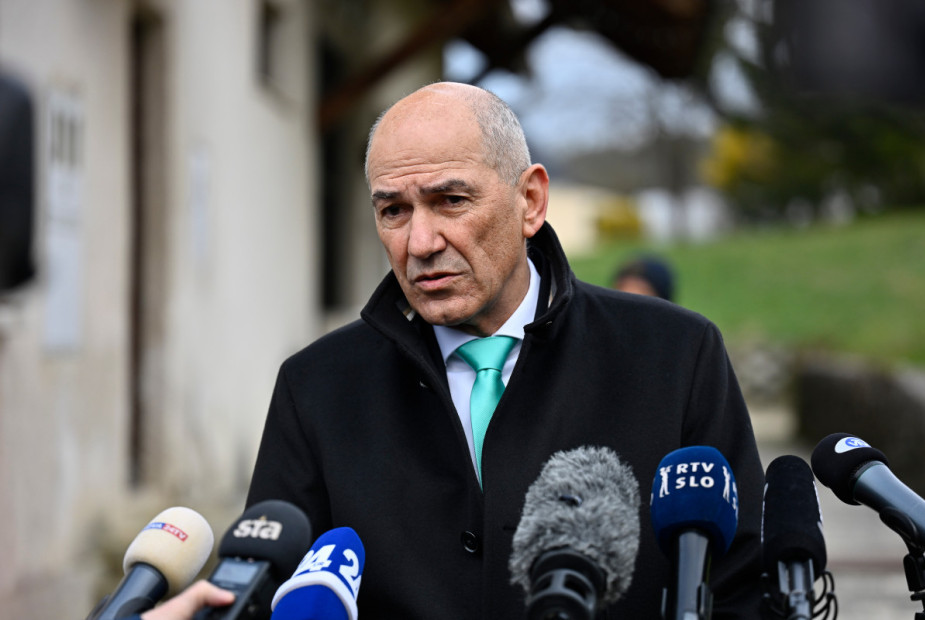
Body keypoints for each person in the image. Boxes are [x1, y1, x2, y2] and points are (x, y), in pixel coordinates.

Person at [246, 82, 764, 618]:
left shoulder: (675, 356)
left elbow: (741, 590)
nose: (420, 243)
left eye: (451, 201)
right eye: (394, 210)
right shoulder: (316, 387)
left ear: (530, 201)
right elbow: (266, 588)